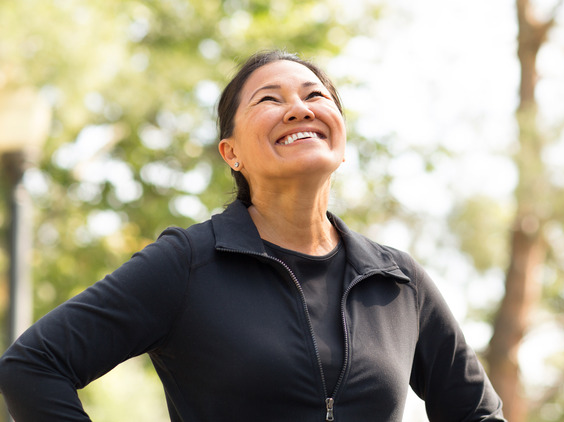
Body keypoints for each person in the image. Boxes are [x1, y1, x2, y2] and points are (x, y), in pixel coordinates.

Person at [0, 50, 505, 421]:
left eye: (315, 96)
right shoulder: (188, 263)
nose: (299, 108)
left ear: (340, 138)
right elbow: (32, 365)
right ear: (231, 153)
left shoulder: (398, 280)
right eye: (270, 99)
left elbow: (477, 415)